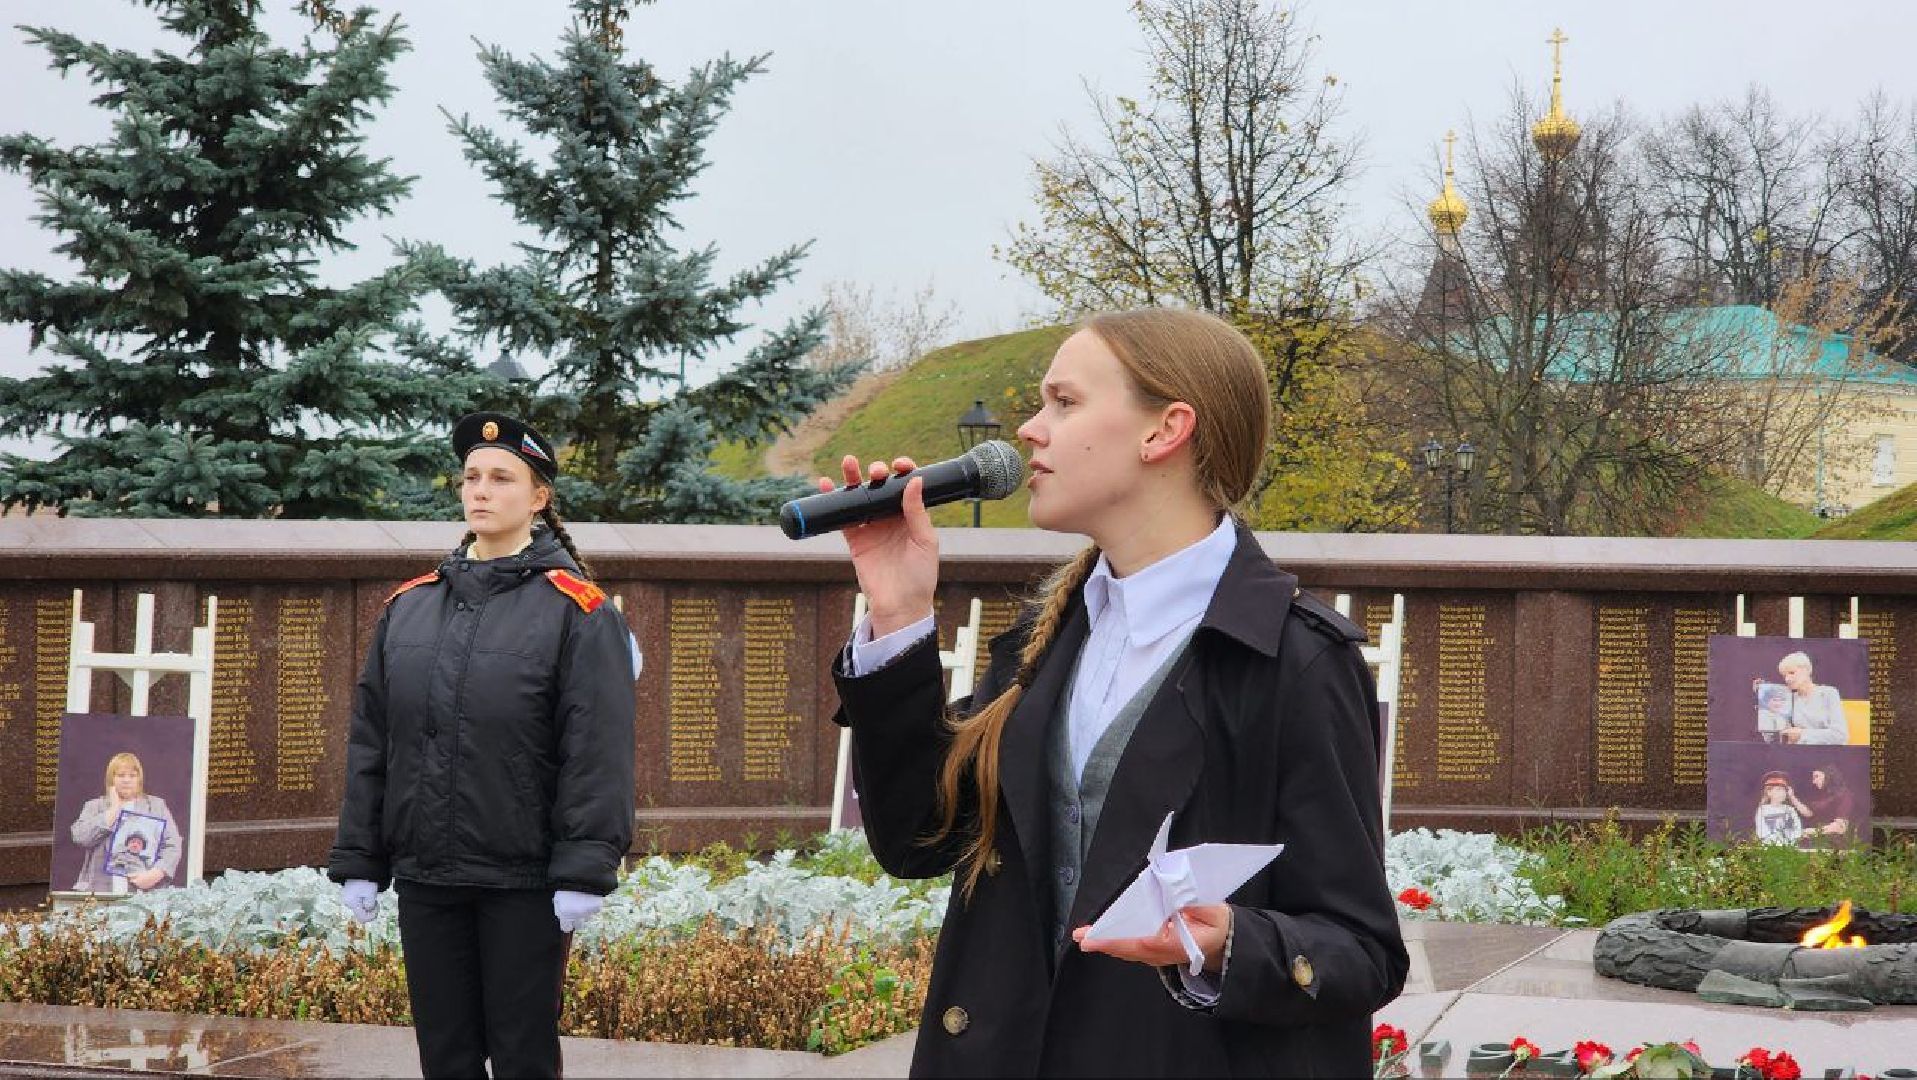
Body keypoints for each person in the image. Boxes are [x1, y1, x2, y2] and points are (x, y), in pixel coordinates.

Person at [825, 309, 1408, 1076]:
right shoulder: (1045, 637)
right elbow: (916, 840)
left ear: (1163, 431)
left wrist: (1226, 943)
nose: (1030, 430)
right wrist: (899, 612)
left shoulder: (1290, 660)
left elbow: (1360, 948)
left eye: (1062, 403)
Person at [328, 411, 637, 1080]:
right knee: (445, 1055)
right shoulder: (410, 608)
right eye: (471, 476)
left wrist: (584, 866)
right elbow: (373, 740)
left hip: (522, 883)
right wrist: (360, 856)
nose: (481, 490)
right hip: (428, 877)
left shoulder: (576, 612)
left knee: (523, 1053)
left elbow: (596, 748)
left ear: (538, 498)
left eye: (502, 477)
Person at [69, 752, 181, 894]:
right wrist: (114, 810)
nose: (126, 780)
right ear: (111, 779)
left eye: (132, 776)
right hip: (100, 890)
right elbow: (81, 837)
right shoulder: (94, 806)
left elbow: (173, 845)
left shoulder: (156, 806)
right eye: (121, 775)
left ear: (139, 779)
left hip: (144, 891)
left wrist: (155, 874)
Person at [1761, 652, 1848, 745]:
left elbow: (1840, 736)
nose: (1787, 679)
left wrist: (1802, 734)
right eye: (1784, 675)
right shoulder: (1788, 699)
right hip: (1797, 755)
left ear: (1807, 670)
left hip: (1827, 755)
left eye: (1791, 673)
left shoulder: (1828, 693)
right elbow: (1775, 739)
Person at [1789, 764, 1857, 846]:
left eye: (1816, 776)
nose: (1813, 781)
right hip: (1816, 841)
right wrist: (1792, 797)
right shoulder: (1822, 794)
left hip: (1833, 844)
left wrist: (1812, 831)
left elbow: (1840, 827)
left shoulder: (1844, 795)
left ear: (1828, 775)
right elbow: (1809, 813)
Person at [1754, 771, 1804, 846]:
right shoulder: (1763, 810)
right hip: (1771, 848)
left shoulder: (1790, 810)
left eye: (1784, 790)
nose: (1782, 793)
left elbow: (1797, 829)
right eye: (1779, 790)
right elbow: (1762, 832)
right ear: (1769, 792)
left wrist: (1790, 841)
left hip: (1790, 847)